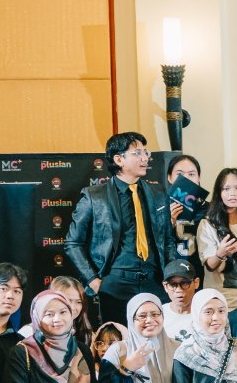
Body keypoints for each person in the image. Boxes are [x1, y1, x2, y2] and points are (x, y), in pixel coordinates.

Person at [66, 131, 179, 324]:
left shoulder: (158, 192)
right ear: (118, 159)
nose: (145, 158)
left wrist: (170, 275)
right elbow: (73, 243)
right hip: (115, 283)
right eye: (137, 153)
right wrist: (94, 281)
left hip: (155, 281)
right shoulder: (95, 196)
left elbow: (167, 239)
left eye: (145, 152)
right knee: (119, 338)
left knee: (156, 336)